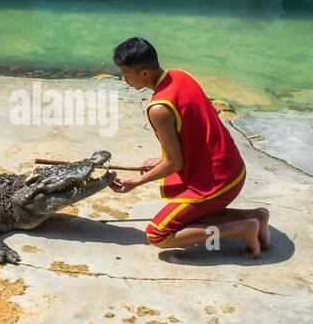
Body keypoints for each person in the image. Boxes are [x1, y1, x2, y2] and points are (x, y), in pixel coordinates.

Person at [108, 38, 268, 260]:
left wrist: (136, 182)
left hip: (216, 184)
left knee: (158, 235)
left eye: (126, 74)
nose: (123, 79)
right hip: (233, 169)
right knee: (184, 215)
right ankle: (257, 217)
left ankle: (241, 229)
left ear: (145, 73)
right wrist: (159, 159)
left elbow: (175, 163)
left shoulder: (159, 108)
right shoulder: (181, 75)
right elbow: (191, 133)